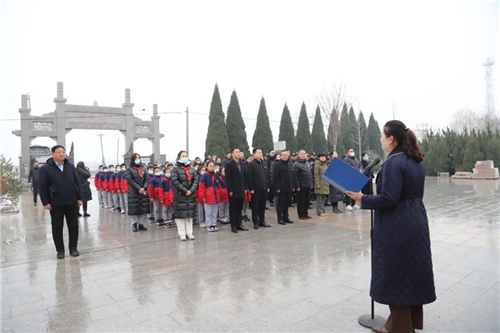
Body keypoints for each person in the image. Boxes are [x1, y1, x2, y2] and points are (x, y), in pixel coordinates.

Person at [346, 120, 436, 333]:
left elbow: (389, 199)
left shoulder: (394, 162)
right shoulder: (415, 160)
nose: (380, 139)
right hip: (415, 220)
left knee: (395, 278)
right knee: (408, 276)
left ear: (391, 138)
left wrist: (362, 198)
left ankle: (402, 330)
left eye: (381, 136)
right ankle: (392, 326)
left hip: (397, 225)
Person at [38, 145, 82, 259]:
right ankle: (60, 250)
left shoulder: (70, 167)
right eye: (59, 152)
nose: (62, 154)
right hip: (55, 203)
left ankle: (73, 248)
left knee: (73, 225)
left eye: (63, 152)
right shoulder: (45, 168)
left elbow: (77, 183)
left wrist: (79, 198)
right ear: (52, 154)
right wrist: (45, 202)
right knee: (57, 226)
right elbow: (42, 187)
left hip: (72, 202)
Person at [171, 150, 199, 241]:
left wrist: (191, 190)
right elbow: (175, 181)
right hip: (180, 195)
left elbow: (195, 180)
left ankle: (189, 233)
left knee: (189, 215)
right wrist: (184, 190)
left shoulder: (192, 169)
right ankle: (182, 233)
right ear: (179, 157)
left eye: (186, 155)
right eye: (183, 156)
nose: (185, 157)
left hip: (190, 194)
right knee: (181, 215)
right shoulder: (175, 169)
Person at [225, 147, 249, 233]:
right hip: (233, 190)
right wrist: (230, 190)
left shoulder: (243, 164)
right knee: (233, 208)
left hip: (242, 189)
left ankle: (239, 224)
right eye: (236, 152)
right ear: (232, 154)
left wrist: (246, 187)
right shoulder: (229, 164)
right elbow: (228, 178)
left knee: (240, 208)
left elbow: (245, 176)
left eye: (239, 152)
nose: (238, 153)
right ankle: (233, 225)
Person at [247, 148, 271, 229]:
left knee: (262, 206)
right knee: (255, 206)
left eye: (261, 152)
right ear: (254, 154)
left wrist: (268, 186)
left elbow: (267, 176)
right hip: (255, 189)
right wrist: (251, 188)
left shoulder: (264, 163)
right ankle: (255, 222)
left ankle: (262, 221)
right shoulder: (251, 164)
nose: (260, 154)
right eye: (258, 153)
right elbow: (249, 177)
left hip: (264, 188)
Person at [126, 153, 149, 232]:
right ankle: (134, 224)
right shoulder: (129, 169)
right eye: (136, 158)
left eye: (139, 158)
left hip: (143, 191)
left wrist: (144, 187)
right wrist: (138, 188)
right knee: (135, 209)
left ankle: (141, 224)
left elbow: (147, 178)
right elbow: (130, 180)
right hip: (134, 192)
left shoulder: (143, 169)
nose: (138, 160)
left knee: (143, 208)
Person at [198, 161, 222, 232]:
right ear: (207, 167)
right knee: (208, 212)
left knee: (214, 212)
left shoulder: (216, 175)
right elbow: (201, 187)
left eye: (213, 166)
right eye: (210, 166)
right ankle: (209, 225)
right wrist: (203, 197)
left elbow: (219, 186)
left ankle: (214, 224)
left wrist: (219, 195)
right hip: (208, 197)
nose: (212, 168)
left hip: (215, 197)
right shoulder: (204, 176)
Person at [273, 150, 294, 225]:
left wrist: (292, 186)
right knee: (280, 204)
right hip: (281, 188)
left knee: (286, 203)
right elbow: (275, 177)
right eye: (283, 155)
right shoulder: (277, 165)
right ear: (280, 156)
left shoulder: (289, 164)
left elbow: (291, 176)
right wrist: (277, 188)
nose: (285, 156)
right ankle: (280, 218)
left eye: (286, 155)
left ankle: (286, 217)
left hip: (288, 187)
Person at [292, 149, 313, 221]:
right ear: (299, 155)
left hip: (307, 185)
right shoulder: (296, 164)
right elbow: (295, 176)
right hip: (301, 185)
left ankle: (305, 213)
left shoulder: (307, 163)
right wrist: (297, 186)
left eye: (305, 154)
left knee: (307, 200)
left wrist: (311, 183)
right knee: (301, 201)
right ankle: (301, 214)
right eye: (302, 154)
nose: (304, 155)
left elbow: (310, 174)